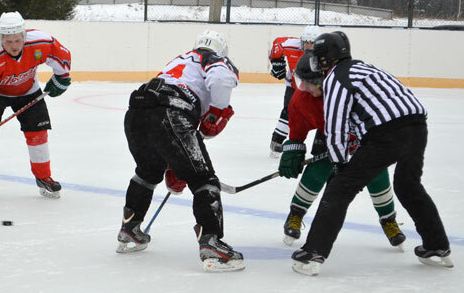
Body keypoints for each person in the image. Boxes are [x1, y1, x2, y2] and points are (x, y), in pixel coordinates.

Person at [290, 32, 452, 276]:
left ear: (324, 60)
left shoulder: (336, 78)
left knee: (339, 188)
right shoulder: (364, 68)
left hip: (387, 133)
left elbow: (336, 126)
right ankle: (437, 246)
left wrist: (339, 163)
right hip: (417, 126)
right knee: (409, 187)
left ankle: (313, 253)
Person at [116, 30, 244, 273]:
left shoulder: (181, 59)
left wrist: (176, 165)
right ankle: (212, 243)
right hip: (171, 111)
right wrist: (217, 111)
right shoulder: (214, 59)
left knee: (148, 171)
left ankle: (130, 229)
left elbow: (167, 137)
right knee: (203, 178)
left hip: (136, 114)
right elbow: (220, 79)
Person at [278, 51, 406, 249]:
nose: (305, 88)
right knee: (319, 168)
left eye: (310, 83)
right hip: (329, 133)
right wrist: (293, 151)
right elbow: (297, 130)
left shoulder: (350, 89)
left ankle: (388, 219)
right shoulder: (302, 100)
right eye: (302, 83)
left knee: (376, 172)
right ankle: (295, 214)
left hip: (362, 134)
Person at [0, 11, 72, 199]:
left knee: (38, 133)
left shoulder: (41, 42)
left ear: (24, 36)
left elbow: (62, 55)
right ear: (0, 39)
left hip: (28, 91)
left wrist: (62, 77)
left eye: (17, 41)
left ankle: (43, 176)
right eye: (8, 41)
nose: (13, 46)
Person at [267, 25, 321, 157]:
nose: (308, 46)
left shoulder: (324, 52)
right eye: (305, 42)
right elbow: (277, 44)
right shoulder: (292, 44)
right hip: (293, 84)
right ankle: (276, 142)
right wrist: (276, 62)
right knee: (288, 111)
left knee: (322, 114)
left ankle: (322, 146)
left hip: (316, 88)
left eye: (312, 43)